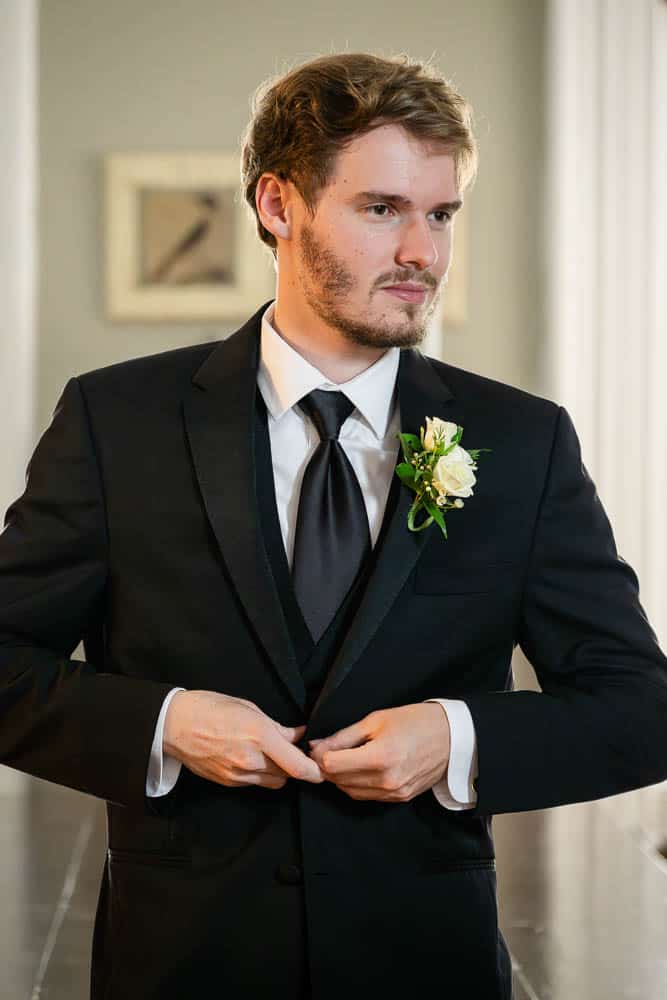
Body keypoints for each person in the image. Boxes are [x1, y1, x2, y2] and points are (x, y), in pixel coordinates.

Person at [1, 52, 666, 1000]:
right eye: (382, 208)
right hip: (182, 964)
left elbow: (639, 707)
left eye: (440, 215)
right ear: (278, 204)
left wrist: (456, 737)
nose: (422, 253)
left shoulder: (522, 441)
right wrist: (162, 723)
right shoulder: (119, 423)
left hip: (425, 966)